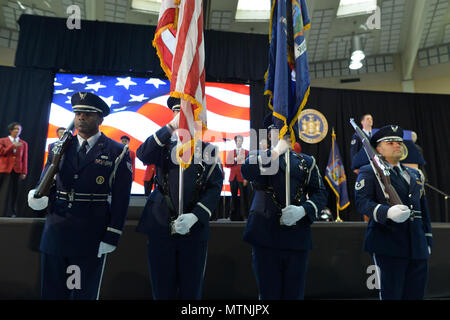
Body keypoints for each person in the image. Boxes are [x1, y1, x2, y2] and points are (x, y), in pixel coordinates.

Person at [28, 92, 133, 300]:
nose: (81, 117)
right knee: (53, 291)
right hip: (57, 228)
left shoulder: (117, 151)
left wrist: (113, 234)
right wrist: (37, 195)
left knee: (82, 292)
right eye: (77, 113)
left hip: (90, 232)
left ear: (100, 118)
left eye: (88, 114)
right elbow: (47, 181)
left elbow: (121, 198)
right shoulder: (57, 147)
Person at [135, 96, 223, 300]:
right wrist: (169, 128)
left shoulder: (208, 150)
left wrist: (196, 215)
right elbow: (143, 154)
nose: (182, 117)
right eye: (178, 112)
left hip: (194, 229)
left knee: (191, 290)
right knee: (161, 288)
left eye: (187, 113)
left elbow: (214, 186)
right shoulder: (162, 146)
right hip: (160, 225)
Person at [241, 118, 328, 300]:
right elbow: (247, 171)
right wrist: (274, 153)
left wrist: (303, 210)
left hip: (296, 237)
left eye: (285, 132)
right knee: (268, 294)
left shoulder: (306, 162)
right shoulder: (256, 155)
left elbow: (320, 193)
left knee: (294, 294)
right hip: (265, 234)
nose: (280, 135)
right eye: (276, 132)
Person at [354, 125, 432, 300]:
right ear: (379, 149)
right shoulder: (369, 171)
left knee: (416, 295)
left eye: (399, 142)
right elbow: (362, 202)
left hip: (417, 245)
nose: (397, 145)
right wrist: (386, 212)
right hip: (388, 243)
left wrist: (427, 239)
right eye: (391, 142)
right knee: (391, 295)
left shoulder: (415, 174)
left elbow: (423, 209)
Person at [0, 122, 28, 217]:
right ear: (11, 130)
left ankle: (12, 212)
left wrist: (24, 171)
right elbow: (2, 152)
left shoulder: (23, 143)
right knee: (2, 190)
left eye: (19, 129)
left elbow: (25, 158)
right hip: (4, 169)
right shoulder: (3, 140)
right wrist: (13, 145)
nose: (17, 130)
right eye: (15, 128)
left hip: (17, 169)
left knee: (15, 191)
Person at [225, 135, 249, 220]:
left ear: (242, 142)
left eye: (240, 141)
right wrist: (235, 159)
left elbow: (248, 166)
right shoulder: (231, 152)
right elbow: (227, 164)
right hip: (233, 177)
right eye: (237, 141)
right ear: (235, 142)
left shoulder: (246, 152)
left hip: (242, 177)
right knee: (233, 196)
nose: (238, 142)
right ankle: (231, 216)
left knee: (243, 197)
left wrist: (247, 178)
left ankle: (244, 216)